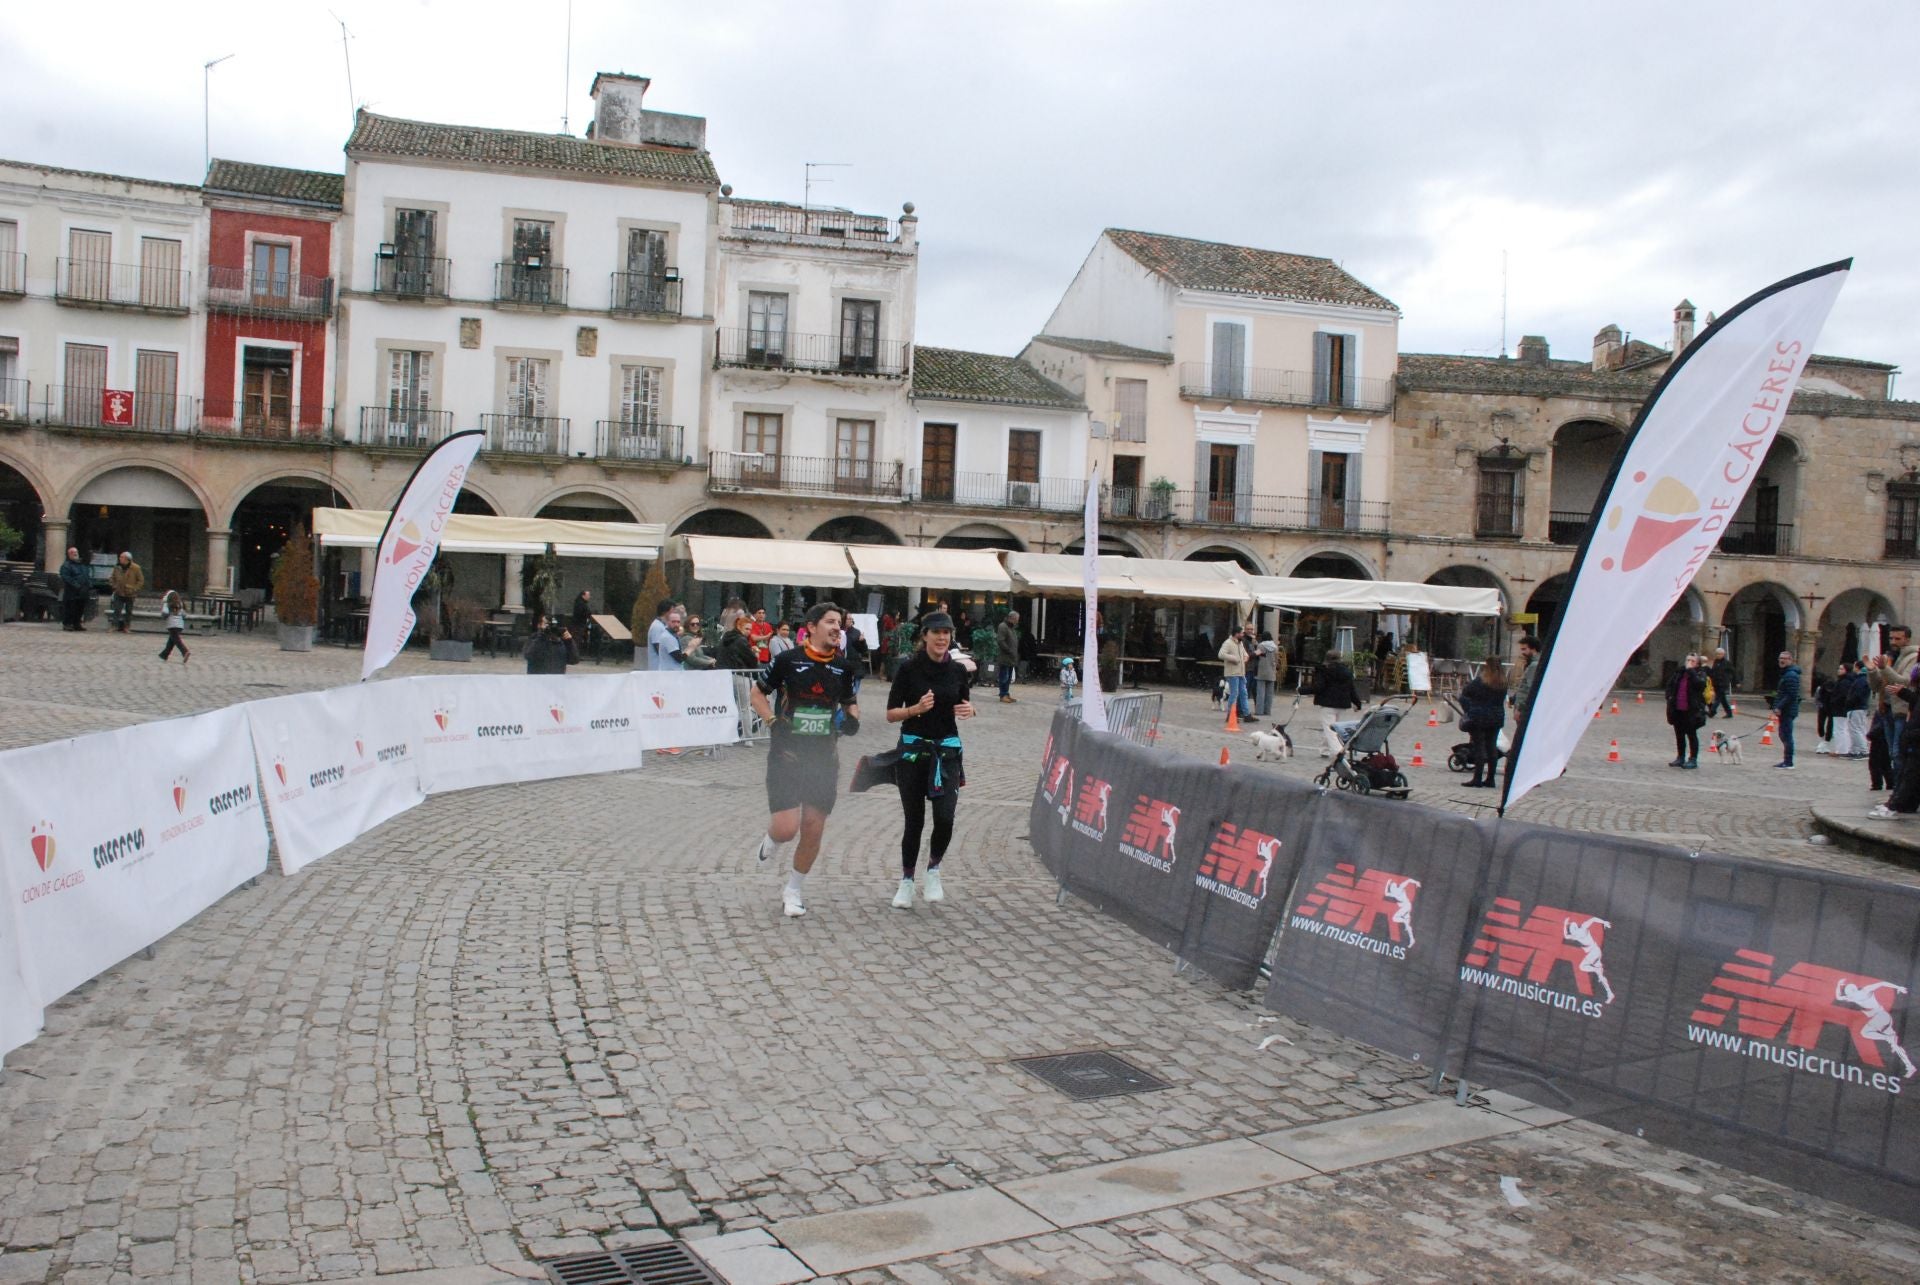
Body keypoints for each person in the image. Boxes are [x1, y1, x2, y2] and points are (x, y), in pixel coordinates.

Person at [750, 602, 862, 918]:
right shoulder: (787, 661)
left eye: (839, 622)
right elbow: (756, 694)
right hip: (787, 754)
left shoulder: (844, 667)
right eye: (829, 621)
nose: (837, 627)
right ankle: (772, 840)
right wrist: (773, 722)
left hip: (824, 759)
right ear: (811, 627)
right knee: (787, 828)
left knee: (812, 828)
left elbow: (851, 704)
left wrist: (852, 720)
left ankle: (793, 890)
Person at [884, 611, 976, 909]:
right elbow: (890, 714)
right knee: (915, 821)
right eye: (936, 632)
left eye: (946, 633)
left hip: (947, 752)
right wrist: (915, 709)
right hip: (913, 751)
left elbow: (963, 702)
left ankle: (933, 870)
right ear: (924, 635)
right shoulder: (908, 669)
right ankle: (907, 882)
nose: (941, 638)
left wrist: (969, 710)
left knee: (946, 818)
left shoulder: (959, 671)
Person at [1459, 658, 1507, 788]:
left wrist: (1469, 709)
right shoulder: (1503, 683)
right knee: (1491, 747)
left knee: (1479, 746)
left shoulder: (1480, 681)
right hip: (1496, 716)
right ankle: (1490, 778)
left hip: (1480, 716)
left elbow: (1464, 694)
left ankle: (1477, 778)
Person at [1313, 651, 1362, 755]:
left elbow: (1318, 687)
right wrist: (1357, 703)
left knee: (1329, 728)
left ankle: (1338, 751)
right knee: (1334, 727)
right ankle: (1324, 750)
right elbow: (1351, 689)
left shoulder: (1323, 671)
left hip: (1327, 704)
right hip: (1342, 704)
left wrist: (1301, 690)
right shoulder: (1347, 672)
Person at [1666, 653, 1708, 769]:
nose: (1689, 662)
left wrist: (1691, 671)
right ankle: (1680, 757)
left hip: (1691, 710)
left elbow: (1700, 685)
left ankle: (1693, 759)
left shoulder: (1700, 673)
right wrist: (1669, 698)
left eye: (1692, 661)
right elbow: (1670, 685)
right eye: (1688, 660)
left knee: (1691, 734)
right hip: (1677, 708)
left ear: (1697, 663)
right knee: (1679, 735)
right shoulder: (1679, 672)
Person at [1218, 623, 1257, 726]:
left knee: (1244, 693)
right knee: (1234, 693)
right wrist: (1234, 658)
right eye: (1241, 633)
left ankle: (1246, 714)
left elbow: (1245, 653)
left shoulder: (1240, 643)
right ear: (1236, 634)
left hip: (1241, 672)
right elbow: (1221, 654)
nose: (1243, 634)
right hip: (1232, 672)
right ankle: (1231, 714)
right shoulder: (1228, 643)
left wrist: (1246, 657)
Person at [1771, 650, 1802, 770]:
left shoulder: (1791, 675)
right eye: (1780, 658)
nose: (1782, 660)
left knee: (1786, 735)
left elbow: (1791, 694)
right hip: (1786, 709)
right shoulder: (1786, 673)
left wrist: (1779, 706)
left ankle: (1788, 761)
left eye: (1785, 658)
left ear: (1791, 660)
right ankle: (1787, 760)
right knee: (1783, 734)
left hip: (1788, 710)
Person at [107, 551, 143, 633]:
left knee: (129, 611)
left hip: (130, 593)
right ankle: (114, 626)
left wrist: (134, 589)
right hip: (119, 592)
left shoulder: (136, 568)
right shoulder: (117, 567)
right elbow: (112, 578)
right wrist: (114, 586)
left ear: (127, 559)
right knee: (117, 610)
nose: (120, 558)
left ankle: (127, 627)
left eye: (121, 557)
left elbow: (140, 581)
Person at [646, 602, 686, 671]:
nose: (675, 613)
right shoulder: (657, 627)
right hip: (657, 669)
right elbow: (659, 649)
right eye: (673, 610)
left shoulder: (663, 626)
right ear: (665, 612)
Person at [58, 546, 91, 632]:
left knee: (80, 608)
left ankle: (77, 623)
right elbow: (66, 577)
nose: (75, 554)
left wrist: (88, 585)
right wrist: (76, 585)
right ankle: (68, 624)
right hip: (71, 591)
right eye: (72, 552)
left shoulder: (82, 565)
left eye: (76, 552)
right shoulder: (66, 565)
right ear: (69, 554)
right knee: (70, 608)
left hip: (83, 591)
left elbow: (86, 576)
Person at [156, 589, 190, 663]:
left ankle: (185, 652)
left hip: (172, 625)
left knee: (177, 641)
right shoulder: (180, 604)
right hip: (180, 625)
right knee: (171, 641)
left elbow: (165, 612)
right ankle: (164, 654)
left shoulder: (168, 603)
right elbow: (184, 614)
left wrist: (164, 614)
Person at [995, 611, 1021, 703]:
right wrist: (1009, 650)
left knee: (1008, 677)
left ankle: (1006, 694)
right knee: (1004, 677)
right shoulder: (1003, 626)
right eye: (1017, 619)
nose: (1017, 621)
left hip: (1011, 657)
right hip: (1005, 657)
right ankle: (1003, 695)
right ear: (1012, 618)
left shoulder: (1011, 628)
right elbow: (1000, 641)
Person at [1254, 630, 1279, 717]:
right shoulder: (1275, 647)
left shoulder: (1261, 645)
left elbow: (1257, 655)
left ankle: (1259, 711)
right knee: (1269, 693)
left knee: (1260, 692)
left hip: (1261, 670)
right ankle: (1267, 711)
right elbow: (1276, 660)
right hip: (1271, 671)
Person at [1708, 647, 1734, 718]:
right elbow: (1713, 672)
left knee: (1718, 698)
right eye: (1717, 654)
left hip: (1723, 683)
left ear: (1723, 654)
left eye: (1720, 654)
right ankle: (1729, 713)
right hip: (1716, 683)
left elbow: (1733, 672)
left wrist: (1735, 681)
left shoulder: (1727, 663)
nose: (1718, 655)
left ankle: (1712, 711)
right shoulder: (1715, 662)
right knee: (1723, 699)